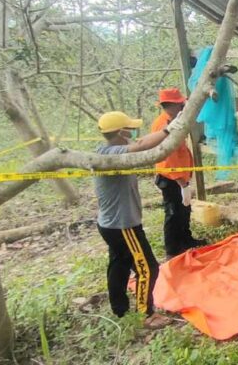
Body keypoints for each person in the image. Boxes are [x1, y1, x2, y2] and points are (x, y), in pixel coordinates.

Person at [94, 110, 183, 329]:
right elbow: (142, 144)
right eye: (129, 129)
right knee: (148, 268)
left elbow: (148, 149)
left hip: (109, 224)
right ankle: (146, 314)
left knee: (119, 264)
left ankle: (119, 308)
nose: (132, 133)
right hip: (124, 225)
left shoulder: (106, 152)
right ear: (121, 132)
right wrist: (167, 129)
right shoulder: (112, 153)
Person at [151, 88, 207, 259]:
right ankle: (172, 250)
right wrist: (181, 183)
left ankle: (186, 239)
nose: (183, 105)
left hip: (180, 176)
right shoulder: (164, 125)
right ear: (171, 105)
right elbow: (169, 158)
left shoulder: (174, 120)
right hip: (171, 177)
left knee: (184, 210)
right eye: (180, 103)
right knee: (173, 213)